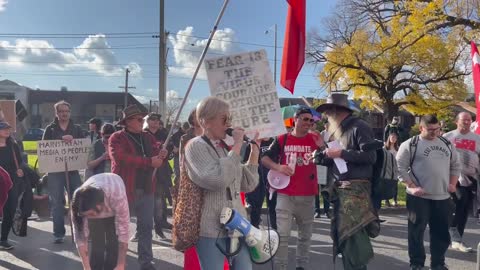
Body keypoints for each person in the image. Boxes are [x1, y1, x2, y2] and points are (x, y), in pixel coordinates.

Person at [184, 97, 259, 270]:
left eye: (230, 119)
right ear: (206, 121)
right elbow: (218, 180)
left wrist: (254, 152)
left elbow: (248, 183)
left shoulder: (224, 147)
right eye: (224, 119)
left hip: (238, 226)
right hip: (211, 229)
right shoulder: (195, 147)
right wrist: (237, 145)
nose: (229, 124)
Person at [314, 93, 378, 270]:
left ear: (335, 111)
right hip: (341, 190)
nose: (326, 115)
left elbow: (370, 156)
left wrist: (341, 153)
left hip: (356, 190)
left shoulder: (359, 126)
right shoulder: (337, 130)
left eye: (327, 111)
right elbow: (335, 160)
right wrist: (322, 154)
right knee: (343, 239)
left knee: (353, 240)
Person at [397, 114, 461, 270]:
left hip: (442, 197)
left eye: (437, 129)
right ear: (421, 128)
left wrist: (452, 184)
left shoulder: (447, 144)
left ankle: (438, 263)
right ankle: (417, 263)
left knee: (440, 233)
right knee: (416, 232)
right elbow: (399, 167)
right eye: (430, 129)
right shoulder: (410, 144)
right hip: (419, 198)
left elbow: (455, 166)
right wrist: (412, 185)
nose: (434, 132)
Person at [262, 106, 322, 270]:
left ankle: (301, 266)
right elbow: (264, 158)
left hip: (308, 195)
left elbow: (328, 160)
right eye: (305, 119)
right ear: (295, 119)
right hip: (285, 194)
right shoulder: (282, 139)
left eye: (311, 120)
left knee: (305, 237)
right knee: (283, 236)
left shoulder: (315, 139)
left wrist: (322, 146)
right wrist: (278, 167)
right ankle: (281, 266)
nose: (309, 123)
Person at [109, 104, 168, 270]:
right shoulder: (117, 137)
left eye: (143, 118)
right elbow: (120, 158)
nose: (143, 121)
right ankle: (117, 262)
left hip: (147, 188)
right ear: (128, 121)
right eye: (139, 119)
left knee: (146, 227)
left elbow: (157, 152)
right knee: (120, 228)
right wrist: (149, 161)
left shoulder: (147, 137)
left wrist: (162, 154)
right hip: (124, 190)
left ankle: (146, 262)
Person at [42, 100, 85, 244]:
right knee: (57, 203)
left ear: (70, 112)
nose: (64, 113)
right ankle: (58, 233)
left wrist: (74, 140)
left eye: (66, 111)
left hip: (72, 170)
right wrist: (60, 140)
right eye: (61, 111)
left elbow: (83, 147)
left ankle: (79, 231)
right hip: (55, 172)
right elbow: (45, 148)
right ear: (57, 113)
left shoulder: (77, 128)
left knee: (78, 201)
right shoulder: (50, 129)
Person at [72, 173, 130, 270]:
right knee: (97, 244)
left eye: (92, 214)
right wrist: (86, 268)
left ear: (100, 204)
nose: (91, 217)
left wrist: (121, 264)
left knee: (113, 242)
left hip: (113, 199)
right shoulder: (78, 204)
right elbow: (80, 238)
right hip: (97, 202)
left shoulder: (117, 195)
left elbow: (124, 232)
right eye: (87, 215)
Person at [443, 112, 480, 253]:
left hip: (471, 178)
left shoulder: (477, 138)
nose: (466, 122)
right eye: (464, 120)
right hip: (453, 177)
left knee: (464, 208)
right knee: (459, 201)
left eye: (469, 120)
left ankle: (456, 239)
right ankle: (453, 237)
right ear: (456, 121)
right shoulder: (447, 138)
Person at [144, 113, 173, 239]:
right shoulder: (143, 134)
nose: (156, 122)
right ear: (148, 121)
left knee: (160, 199)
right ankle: (145, 228)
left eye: (157, 120)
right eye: (153, 119)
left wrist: (166, 152)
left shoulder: (163, 134)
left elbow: (170, 148)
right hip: (147, 171)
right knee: (147, 201)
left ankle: (160, 225)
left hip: (161, 172)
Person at [0, 121, 24, 250]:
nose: (7, 131)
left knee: (10, 210)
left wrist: (20, 169)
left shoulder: (13, 145)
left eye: (8, 129)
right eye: (4, 129)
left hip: (11, 182)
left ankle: (3, 239)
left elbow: (20, 162)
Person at [245, 137, 274, 228]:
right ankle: (254, 225)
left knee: (273, 204)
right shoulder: (253, 143)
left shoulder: (274, 142)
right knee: (255, 203)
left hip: (272, 178)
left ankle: (275, 228)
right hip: (257, 178)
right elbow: (246, 161)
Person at [384, 132, 400, 207]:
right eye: (392, 137)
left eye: (395, 138)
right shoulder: (385, 148)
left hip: (395, 168)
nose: (393, 139)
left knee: (395, 185)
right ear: (389, 138)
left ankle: (395, 200)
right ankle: (386, 200)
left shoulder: (398, 148)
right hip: (387, 168)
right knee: (386, 184)